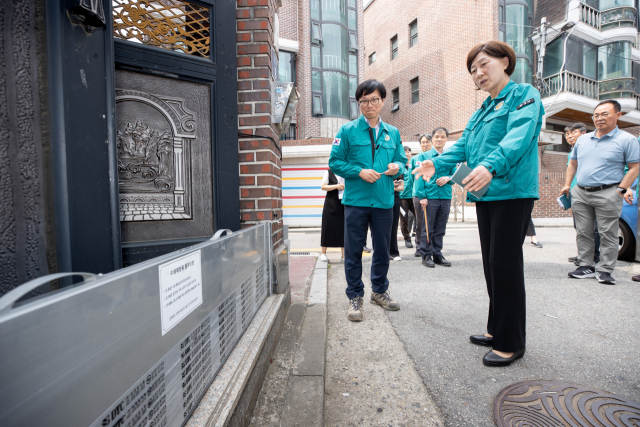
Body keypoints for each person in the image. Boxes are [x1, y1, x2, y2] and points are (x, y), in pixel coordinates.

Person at [414, 41, 543, 367]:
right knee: (492, 264)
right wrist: (437, 164)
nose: (478, 73)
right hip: (485, 194)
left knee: (505, 265)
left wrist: (489, 165)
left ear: (505, 61)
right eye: (473, 69)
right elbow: (462, 150)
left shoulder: (524, 94)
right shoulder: (481, 110)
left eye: (484, 64)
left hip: (512, 191)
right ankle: (496, 329)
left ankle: (510, 342)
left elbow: (520, 134)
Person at [329, 79, 407, 322]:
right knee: (353, 251)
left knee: (383, 250)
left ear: (383, 101)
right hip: (356, 201)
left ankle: (379, 291)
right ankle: (355, 296)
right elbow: (335, 162)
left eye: (374, 99)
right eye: (364, 101)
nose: (370, 104)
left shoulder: (393, 133)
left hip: (384, 201)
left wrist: (398, 167)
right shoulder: (347, 131)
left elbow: (403, 162)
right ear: (358, 103)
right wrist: (359, 171)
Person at [561, 100, 639, 285]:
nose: (599, 118)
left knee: (608, 233)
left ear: (618, 115)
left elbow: (635, 167)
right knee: (583, 232)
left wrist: (620, 190)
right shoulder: (583, 140)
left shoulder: (627, 140)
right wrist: (567, 185)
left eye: (605, 114)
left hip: (608, 193)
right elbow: (573, 163)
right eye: (596, 115)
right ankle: (586, 265)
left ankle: (605, 269)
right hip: (581, 192)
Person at [413, 127, 456, 268]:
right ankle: (426, 255)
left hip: (445, 196)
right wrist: (422, 197)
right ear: (433, 139)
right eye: (437, 137)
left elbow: (455, 176)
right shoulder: (423, 156)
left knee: (440, 228)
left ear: (446, 139)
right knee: (427, 228)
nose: (439, 139)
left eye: (442, 137)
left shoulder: (449, 156)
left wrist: (448, 178)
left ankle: (437, 253)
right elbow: (418, 179)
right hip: (429, 197)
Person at [564, 123, 600, 266]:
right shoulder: (571, 152)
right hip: (576, 193)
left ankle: (595, 256)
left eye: (573, 132)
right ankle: (583, 255)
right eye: (567, 134)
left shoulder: (593, 148)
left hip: (591, 192)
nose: (569, 136)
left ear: (584, 133)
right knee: (580, 227)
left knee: (595, 228)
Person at [409, 134, 433, 257]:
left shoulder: (436, 158)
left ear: (431, 142)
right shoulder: (415, 159)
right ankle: (418, 246)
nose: (425, 144)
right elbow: (412, 178)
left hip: (433, 195)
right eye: (423, 142)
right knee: (420, 222)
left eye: (427, 141)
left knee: (431, 223)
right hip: (418, 196)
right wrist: (418, 192)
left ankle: (430, 246)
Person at [319, 168, 345, 262]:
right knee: (327, 227)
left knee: (343, 229)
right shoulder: (329, 172)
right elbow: (323, 186)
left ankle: (344, 256)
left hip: (342, 204)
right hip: (330, 204)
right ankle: (323, 253)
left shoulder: (344, 172)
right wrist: (336, 186)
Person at [399, 146, 416, 248]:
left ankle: (419, 237)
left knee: (420, 217)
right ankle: (407, 238)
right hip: (402, 197)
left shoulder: (414, 164)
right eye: (404, 152)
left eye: (408, 152)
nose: (407, 154)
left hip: (414, 195)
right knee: (404, 219)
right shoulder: (400, 166)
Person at [390, 178, 403, 261]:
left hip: (395, 199)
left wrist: (389, 186)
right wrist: (391, 185)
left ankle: (393, 252)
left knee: (394, 227)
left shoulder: (397, 167)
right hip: (380, 198)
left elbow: (401, 187)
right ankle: (383, 252)